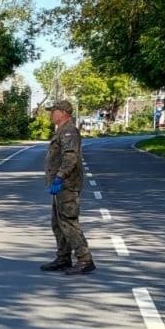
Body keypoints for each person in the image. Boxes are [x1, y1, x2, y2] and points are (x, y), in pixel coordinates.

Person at [41, 99, 95, 275]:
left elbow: (70, 157)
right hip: (61, 186)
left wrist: (59, 177)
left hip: (67, 185)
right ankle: (63, 258)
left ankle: (85, 259)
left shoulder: (69, 131)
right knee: (58, 223)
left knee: (69, 222)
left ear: (63, 112)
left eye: (54, 111)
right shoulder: (62, 130)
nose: (51, 114)